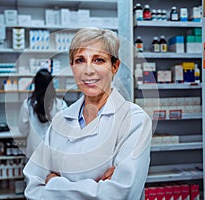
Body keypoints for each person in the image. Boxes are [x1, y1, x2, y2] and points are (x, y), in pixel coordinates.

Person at [23, 28, 152, 199]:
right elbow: (32, 187)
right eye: (80, 60)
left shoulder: (135, 120)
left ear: (114, 67)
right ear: (72, 67)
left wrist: (54, 184)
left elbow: (121, 194)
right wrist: (98, 188)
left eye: (98, 60)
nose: (88, 70)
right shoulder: (61, 119)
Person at [18, 68, 68, 157]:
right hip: (54, 153)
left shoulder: (28, 105)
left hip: (34, 152)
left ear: (36, 85)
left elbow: (23, 131)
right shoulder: (60, 105)